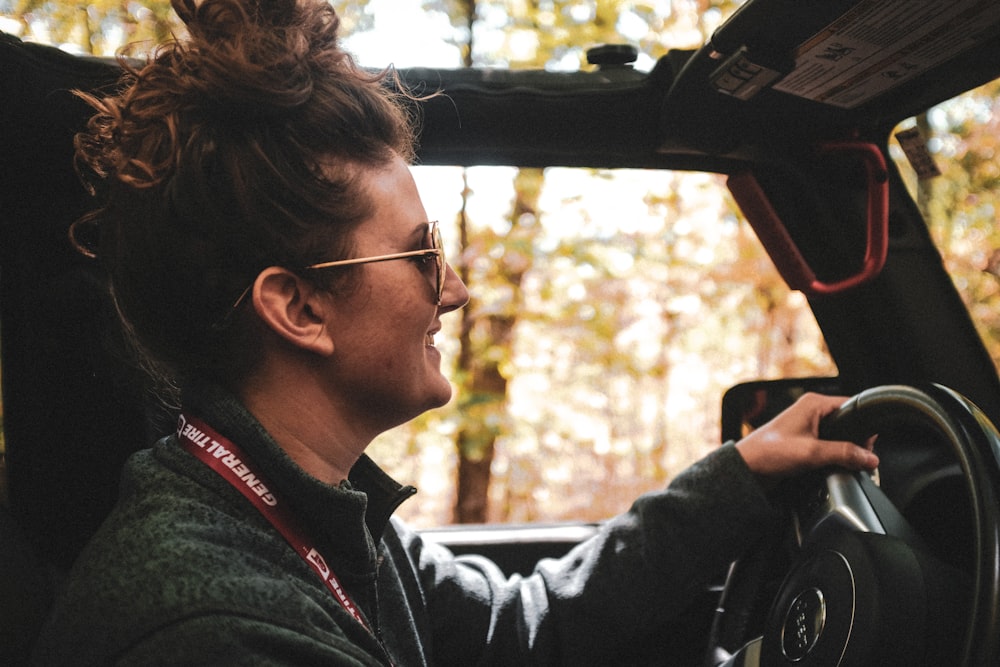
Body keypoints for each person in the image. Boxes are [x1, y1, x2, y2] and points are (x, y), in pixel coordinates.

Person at [31, 0, 879, 664]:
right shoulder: (216, 625)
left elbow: (520, 629)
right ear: (298, 308)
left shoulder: (306, 507)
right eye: (420, 254)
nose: (459, 291)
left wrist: (741, 472)